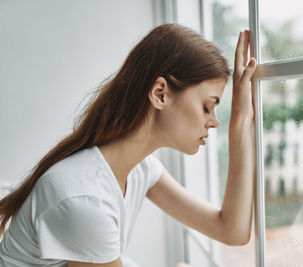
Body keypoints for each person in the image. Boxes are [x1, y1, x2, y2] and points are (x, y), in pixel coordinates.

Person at [0, 24, 257, 267]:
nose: (214, 122)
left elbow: (231, 230)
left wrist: (242, 119)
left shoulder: (139, 170)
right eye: (207, 107)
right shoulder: (85, 197)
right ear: (160, 94)